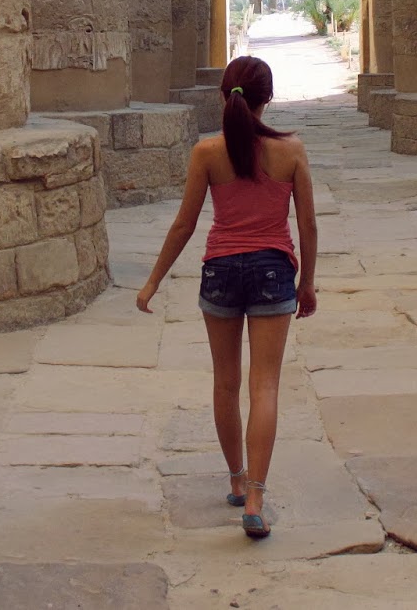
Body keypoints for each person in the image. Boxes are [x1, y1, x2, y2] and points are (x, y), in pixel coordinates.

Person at [136, 55, 318, 539]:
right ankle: (255, 498)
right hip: (272, 270)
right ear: (268, 99)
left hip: (220, 271)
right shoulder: (292, 151)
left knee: (225, 384)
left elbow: (184, 224)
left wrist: (153, 281)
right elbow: (307, 224)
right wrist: (307, 283)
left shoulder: (207, 152)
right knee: (265, 386)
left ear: (224, 96)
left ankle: (237, 479)